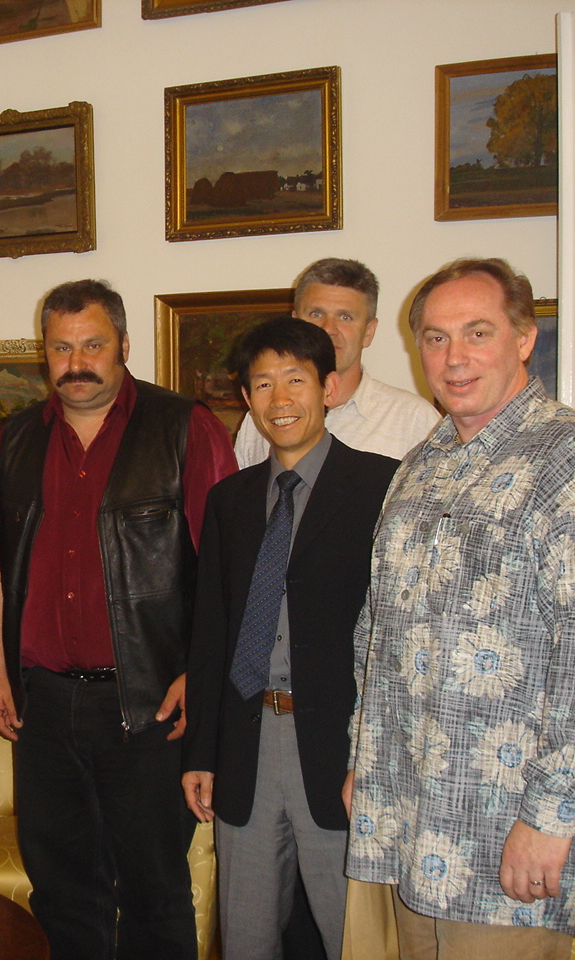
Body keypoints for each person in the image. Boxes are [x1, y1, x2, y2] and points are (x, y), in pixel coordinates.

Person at [345, 259, 575, 957]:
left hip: (507, 848)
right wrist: (364, 762)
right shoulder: (422, 465)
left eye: (477, 332)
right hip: (409, 829)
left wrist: (551, 818)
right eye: (435, 338)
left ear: (524, 338)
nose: (453, 358)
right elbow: (379, 633)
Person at [0, 279, 237, 960]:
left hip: (149, 704)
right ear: (43, 352)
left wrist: (201, 673)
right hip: (44, 706)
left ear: (123, 344)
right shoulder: (14, 441)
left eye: (92, 344)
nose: (77, 363)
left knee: (154, 891)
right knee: (63, 890)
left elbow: (227, 569)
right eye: (61, 348)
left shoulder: (185, 428)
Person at [183, 318, 398, 960]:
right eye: (263, 384)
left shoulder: (385, 487)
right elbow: (211, 632)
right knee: (246, 938)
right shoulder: (229, 500)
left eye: (296, 380)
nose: (280, 400)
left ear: (328, 388)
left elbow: (397, 638)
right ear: (246, 398)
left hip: (341, 750)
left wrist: (380, 757)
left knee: (351, 938)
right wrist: (201, 752)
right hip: (248, 746)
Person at [234, 258, 438, 466]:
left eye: (345, 317)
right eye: (316, 314)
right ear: (294, 323)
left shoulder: (413, 421)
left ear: (368, 332)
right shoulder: (258, 422)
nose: (328, 329)